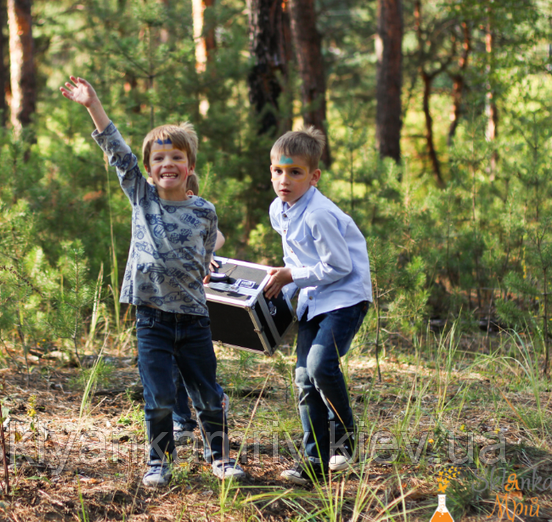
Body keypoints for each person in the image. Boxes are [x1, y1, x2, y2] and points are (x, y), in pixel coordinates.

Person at [60, 76, 245, 488]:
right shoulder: (142, 198)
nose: (167, 165)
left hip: (194, 318)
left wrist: (205, 266)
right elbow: (117, 151)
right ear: (148, 169)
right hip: (152, 318)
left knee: (207, 395)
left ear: (190, 166)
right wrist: (93, 104)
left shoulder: (204, 211)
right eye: (159, 159)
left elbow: (205, 253)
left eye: (176, 157)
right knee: (159, 395)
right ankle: (159, 462)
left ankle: (220, 458)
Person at [263, 127, 372, 486]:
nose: (284, 180)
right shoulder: (279, 210)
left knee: (320, 364)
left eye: (295, 172)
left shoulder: (319, 214)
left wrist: (292, 274)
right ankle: (314, 462)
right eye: (278, 171)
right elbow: (294, 256)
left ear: (314, 176)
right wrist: (283, 283)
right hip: (313, 299)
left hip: (345, 297)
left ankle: (345, 439)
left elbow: (338, 266)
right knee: (303, 379)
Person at [172, 173, 228, 444]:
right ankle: (180, 420)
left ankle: (215, 398)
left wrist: (208, 252)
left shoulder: (199, 218)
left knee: (195, 370)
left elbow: (218, 237)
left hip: (193, 313)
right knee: (171, 367)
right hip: (165, 310)